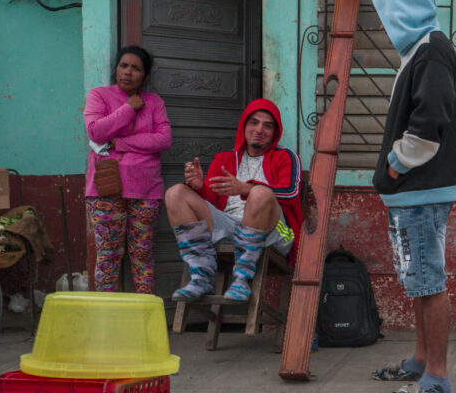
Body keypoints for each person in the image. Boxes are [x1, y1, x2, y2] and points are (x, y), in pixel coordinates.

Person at [368, 0, 456, 393]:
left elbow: (430, 123)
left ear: (401, 11)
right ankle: (421, 360)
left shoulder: (431, 50)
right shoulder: (421, 50)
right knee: (419, 280)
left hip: (421, 187)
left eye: (388, 15)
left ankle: (437, 378)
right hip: (414, 190)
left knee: (428, 280)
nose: (387, 26)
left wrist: (395, 163)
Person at [164, 98, 301, 302]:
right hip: (231, 226)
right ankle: (201, 276)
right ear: (244, 126)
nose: (259, 129)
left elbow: (291, 193)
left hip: (276, 230)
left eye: (267, 125)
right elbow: (211, 199)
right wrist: (199, 186)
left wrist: (246, 188)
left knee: (260, 193)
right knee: (175, 193)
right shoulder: (224, 159)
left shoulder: (285, 156)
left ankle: (241, 280)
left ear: (275, 132)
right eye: (254, 122)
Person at [84, 45, 172, 293]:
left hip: (146, 191)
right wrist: (129, 108)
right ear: (116, 69)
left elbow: (164, 140)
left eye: (136, 68)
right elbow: (95, 131)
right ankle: (106, 321)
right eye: (124, 66)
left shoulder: (154, 102)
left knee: (142, 258)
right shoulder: (99, 95)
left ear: (144, 76)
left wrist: (120, 143)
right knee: (108, 258)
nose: (128, 72)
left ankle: (145, 320)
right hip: (105, 190)